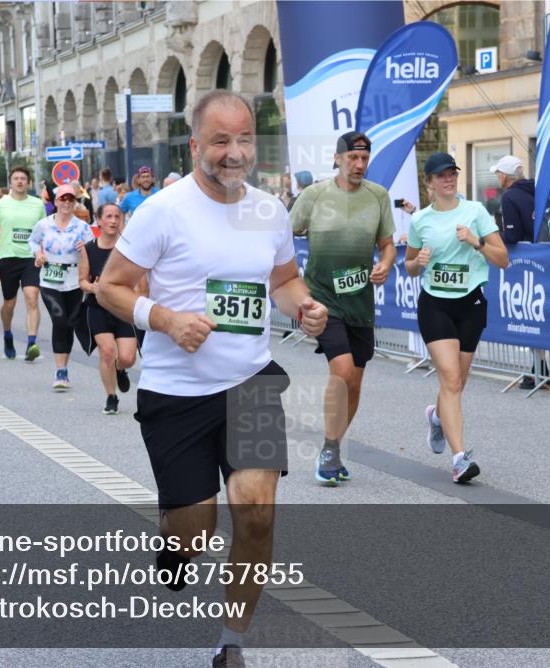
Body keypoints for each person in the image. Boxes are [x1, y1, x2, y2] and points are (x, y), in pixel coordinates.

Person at [96, 90, 327, 668]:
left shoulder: (270, 210)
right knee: (195, 533)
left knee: (256, 509)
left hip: (250, 383)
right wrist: (167, 319)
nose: (234, 153)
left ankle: (232, 641)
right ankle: (177, 541)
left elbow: (284, 279)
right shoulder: (163, 211)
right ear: (196, 144)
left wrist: (304, 306)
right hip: (176, 393)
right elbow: (110, 286)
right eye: (221, 141)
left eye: (244, 139)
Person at [289, 131, 395, 485]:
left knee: (355, 382)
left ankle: (331, 444)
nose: (359, 165)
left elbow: (387, 245)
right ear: (337, 159)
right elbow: (283, 236)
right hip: (323, 299)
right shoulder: (314, 195)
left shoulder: (378, 196)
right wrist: (294, 286)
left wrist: (385, 264)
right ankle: (332, 450)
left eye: (364, 159)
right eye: (353, 158)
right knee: (343, 371)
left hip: (360, 303)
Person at [403, 152, 509, 483]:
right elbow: (408, 267)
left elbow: (503, 259)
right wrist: (418, 261)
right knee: (449, 378)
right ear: (429, 182)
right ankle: (460, 458)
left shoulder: (475, 212)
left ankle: (436, 416)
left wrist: (475, 242)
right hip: (435, 304)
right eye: (441, 175)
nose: (448, 179)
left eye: (452, 173)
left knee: (458, 382)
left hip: (471, 304)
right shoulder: (420, 220)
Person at [490, 155, 550, 390]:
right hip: (548, 256)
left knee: (530, 315)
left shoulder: (510, 196)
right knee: (539, 315)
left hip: (527, 265)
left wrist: (492, 236)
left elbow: (513, 235)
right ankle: (540, 369)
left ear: (506, 176)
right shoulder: (538, 191)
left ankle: (540, 370)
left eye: (498, 173)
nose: (497, 177)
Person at [27, 184, 94, 391]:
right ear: (55, 202)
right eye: (62, 199)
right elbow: (32, 241)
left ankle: (64, 369)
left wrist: (85, 250)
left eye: (70, 199)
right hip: (50, 278)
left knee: (69, 323)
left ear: (75, 202)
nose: (66, 203)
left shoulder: (83, 227)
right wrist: (37, 254)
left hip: (75, 279)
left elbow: (94, 251)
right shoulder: (44, 225)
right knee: (59, 319)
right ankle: (59, 370)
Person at [0, 166, 46, 361]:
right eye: (16, 178)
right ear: (11, 182)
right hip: (8, 259)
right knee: (10, 303)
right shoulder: (0, 204)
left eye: (23, 178)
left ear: (28, 182)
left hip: (30, 259)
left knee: (32, 297)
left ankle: (31, 343)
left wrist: (43, 252)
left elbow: (44, 232)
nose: (19, 181)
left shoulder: (37, 204)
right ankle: (7, 334)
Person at [83, 203, 138, 414]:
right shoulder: (88, 249)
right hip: (97, 307)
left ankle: (120, 368)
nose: (113, 220)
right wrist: (92, 286)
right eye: (108, 216)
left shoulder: (128, 248)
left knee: (127, 357)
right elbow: (82, 281)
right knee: (107, 352)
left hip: (122, 307)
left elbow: (139, 280)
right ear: (99, 221)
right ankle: (111, 396)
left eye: (117, 216)